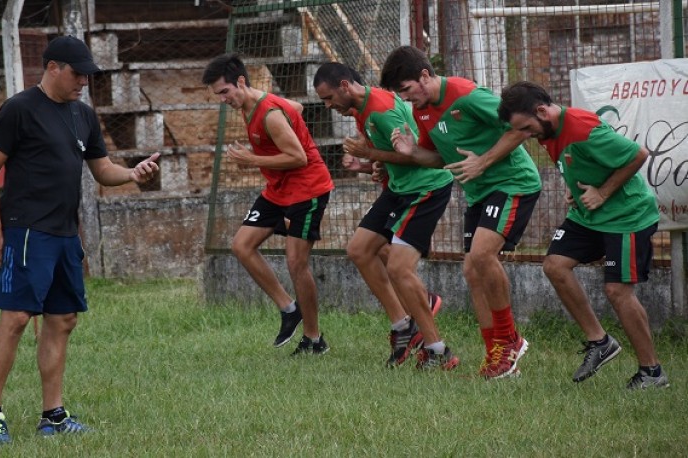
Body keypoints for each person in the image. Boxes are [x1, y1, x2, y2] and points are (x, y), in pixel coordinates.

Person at [0, 35, 160, 445]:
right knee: (16, 318)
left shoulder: (83, 115)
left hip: (64, 234)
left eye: (88, 76)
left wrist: (132, 173)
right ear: (53, 68)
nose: (83, 82)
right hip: (25, 231)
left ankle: (53, 417)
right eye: (77, 74)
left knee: (62, 320)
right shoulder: (19, 109)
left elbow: (102, 169)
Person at [375, 46, 542, 379]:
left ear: (425, 76)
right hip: (478, 192)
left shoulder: (467, 95)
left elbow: (521, 128)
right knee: (471, 270)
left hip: (513, 183)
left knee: (481, 256)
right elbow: (438, 158)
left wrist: (484, 161)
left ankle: (509, 340)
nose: (406, 99)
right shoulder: (422, 111)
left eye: (406, 90)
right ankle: (496, 357)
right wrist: (410, 152)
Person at [498, 81, 669, 389]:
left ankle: (652, 372)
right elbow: (578, 161)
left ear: (542, 111)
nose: (526, 135)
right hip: (588, 216)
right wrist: (575, 187)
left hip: (627, 216)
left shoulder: (582, 128)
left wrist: (602, 192)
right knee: (555, 265)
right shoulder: (547, 131)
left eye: (526, 128)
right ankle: (600, 342)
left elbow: (638, 155)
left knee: (617, 291)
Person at [313, 63, 454, 369]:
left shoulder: (380, 110)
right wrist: (370, 166)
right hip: (399, 188)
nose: (328, 106)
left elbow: (414, 155)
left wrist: (370, 156)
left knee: (399, 268)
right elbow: (389, 154)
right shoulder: (362, 108)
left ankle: (437, 350)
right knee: (359, 249)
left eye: (328, 98)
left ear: (344, 86)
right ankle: (403, 326)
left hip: (425, 188)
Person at [201, 54, 334, 356]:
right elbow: (296, 107)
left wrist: (253, 159)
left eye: (225, 92)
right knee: (242, 245)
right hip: (278, 189)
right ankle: (289, 309)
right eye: (217, 94)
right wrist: (289, 120)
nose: (222, 99)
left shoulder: (269, 114)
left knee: (296, 263)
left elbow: (298, 157)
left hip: (307, 189)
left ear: (241, 82)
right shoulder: (254, 104)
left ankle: (314, 340)